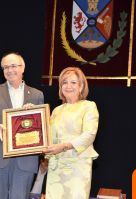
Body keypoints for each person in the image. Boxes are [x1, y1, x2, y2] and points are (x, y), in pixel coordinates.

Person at [0, 52, 44, 199]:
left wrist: (34, 114)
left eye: (13, 66)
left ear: (23, 68)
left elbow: (41, 129)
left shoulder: (37, 95)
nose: (9, 70)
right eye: (5, 67)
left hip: (25, 160)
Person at [43, 67, 99, 199]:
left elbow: (89, 134)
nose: (68, 86)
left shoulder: (89, 106)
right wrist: (29, 114)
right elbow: (47, 137)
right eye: (64, 82)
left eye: (73, 82)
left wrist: (64, 146)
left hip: (77, 165)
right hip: (56, 167)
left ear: (81, 86)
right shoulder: (56, 110)